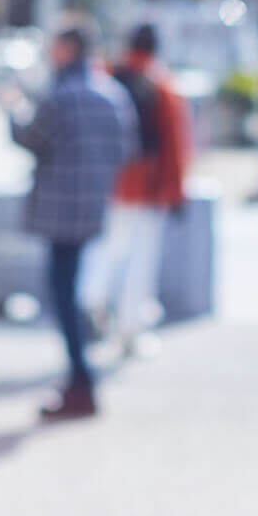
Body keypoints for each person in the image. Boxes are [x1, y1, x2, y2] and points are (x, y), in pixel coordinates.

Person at [8, 24, 134, 421]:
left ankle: (81, 378)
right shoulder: (111, 94)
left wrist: (12, 108)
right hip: (93, 206)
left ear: (68, 50)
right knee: (71, 288)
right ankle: (80, 376)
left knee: (62, 293)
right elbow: (125, 149)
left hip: (59, 208)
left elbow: (30, 137)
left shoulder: (59, 96)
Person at [81, 22, 192, 358]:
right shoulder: (161, 85)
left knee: (105, 250)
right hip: (146, 187)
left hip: (107, 183)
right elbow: (173, 144)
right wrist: (175, 192)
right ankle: (130, 330)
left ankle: (91, 298)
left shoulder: (106, 76)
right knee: (140, 262)